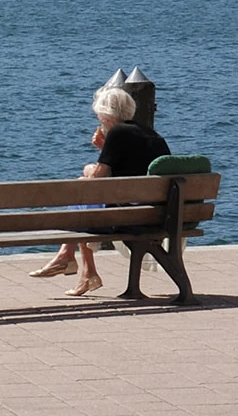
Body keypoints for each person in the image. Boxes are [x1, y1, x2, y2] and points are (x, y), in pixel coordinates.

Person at [28, 87, 170, 296]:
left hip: (128, 217)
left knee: (83, 186)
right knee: (86, 194)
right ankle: (79, 267)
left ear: (106, 115)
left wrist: (89, 167)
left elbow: (97, 178)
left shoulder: (117, 132)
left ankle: (72, 260)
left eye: (99, 116)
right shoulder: (152, 134)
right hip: (156, 213)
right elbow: (128, 170)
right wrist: (105, 150)